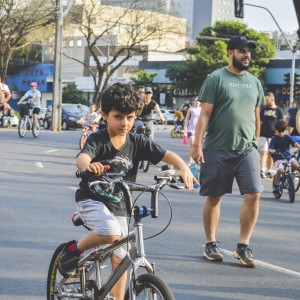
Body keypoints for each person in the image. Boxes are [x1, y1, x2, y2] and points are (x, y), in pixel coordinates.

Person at [58, 82, 198, 300]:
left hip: (121, 204)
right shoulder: (98, 139)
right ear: (105, 116)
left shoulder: (138, 141)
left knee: (122, 257)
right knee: (112, 234)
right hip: (92, 200)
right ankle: (73, 250)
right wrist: (89, 166)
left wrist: (183, 168)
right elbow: (82, 158)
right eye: (119, 117)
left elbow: (167, 154)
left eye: (130, 117)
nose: (125, 123)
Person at [191, 35, 264, 268]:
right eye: (241, 51)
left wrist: (256, 142)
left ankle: (243, 246)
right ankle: (210, 243)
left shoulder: (255, 82)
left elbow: (256, 115)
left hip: (246, 149)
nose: (246, 55)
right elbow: (205, 114)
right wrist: (196, 144)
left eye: (248, 51)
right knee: (214, 197)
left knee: (254, 194)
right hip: (217, 147)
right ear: (230, 53)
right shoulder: (215, 78)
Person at [269, 120, 300, 193]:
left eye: (282, 132)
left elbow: (294, 143)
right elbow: (270, 149)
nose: (280, 134)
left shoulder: (287, 137)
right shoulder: (274, 138)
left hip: (288, 157)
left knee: (296, 165)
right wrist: (272, 151)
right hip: (278, 158)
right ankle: (275, 185)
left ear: (284, 130)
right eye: (279, 132)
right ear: (275, 130)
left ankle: (289, 177)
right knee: (280, 170)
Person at [259, 92, 284, 178]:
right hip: (263, 134)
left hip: (273, 135)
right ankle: (262, 170)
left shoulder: (278, 110)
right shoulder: (264, 109)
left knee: (270, 154)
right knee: (263, 152)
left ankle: (269, 170)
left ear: (272, 100)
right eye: (265, 100)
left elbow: (281, 123)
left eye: (267, 100)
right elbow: (259, 120)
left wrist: (280, 133)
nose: (266, 102)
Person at [184, 98, 201, 165]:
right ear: (193, 102)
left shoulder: (202, 110)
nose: (197, 101)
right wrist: (185, 128)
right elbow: (186, 119)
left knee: (197, 145)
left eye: (198, 100)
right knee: (192, 144)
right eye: (196, 100)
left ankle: (196, 159)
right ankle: (190, 160)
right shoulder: (190, 109)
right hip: (191, 129)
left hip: (198, 130)